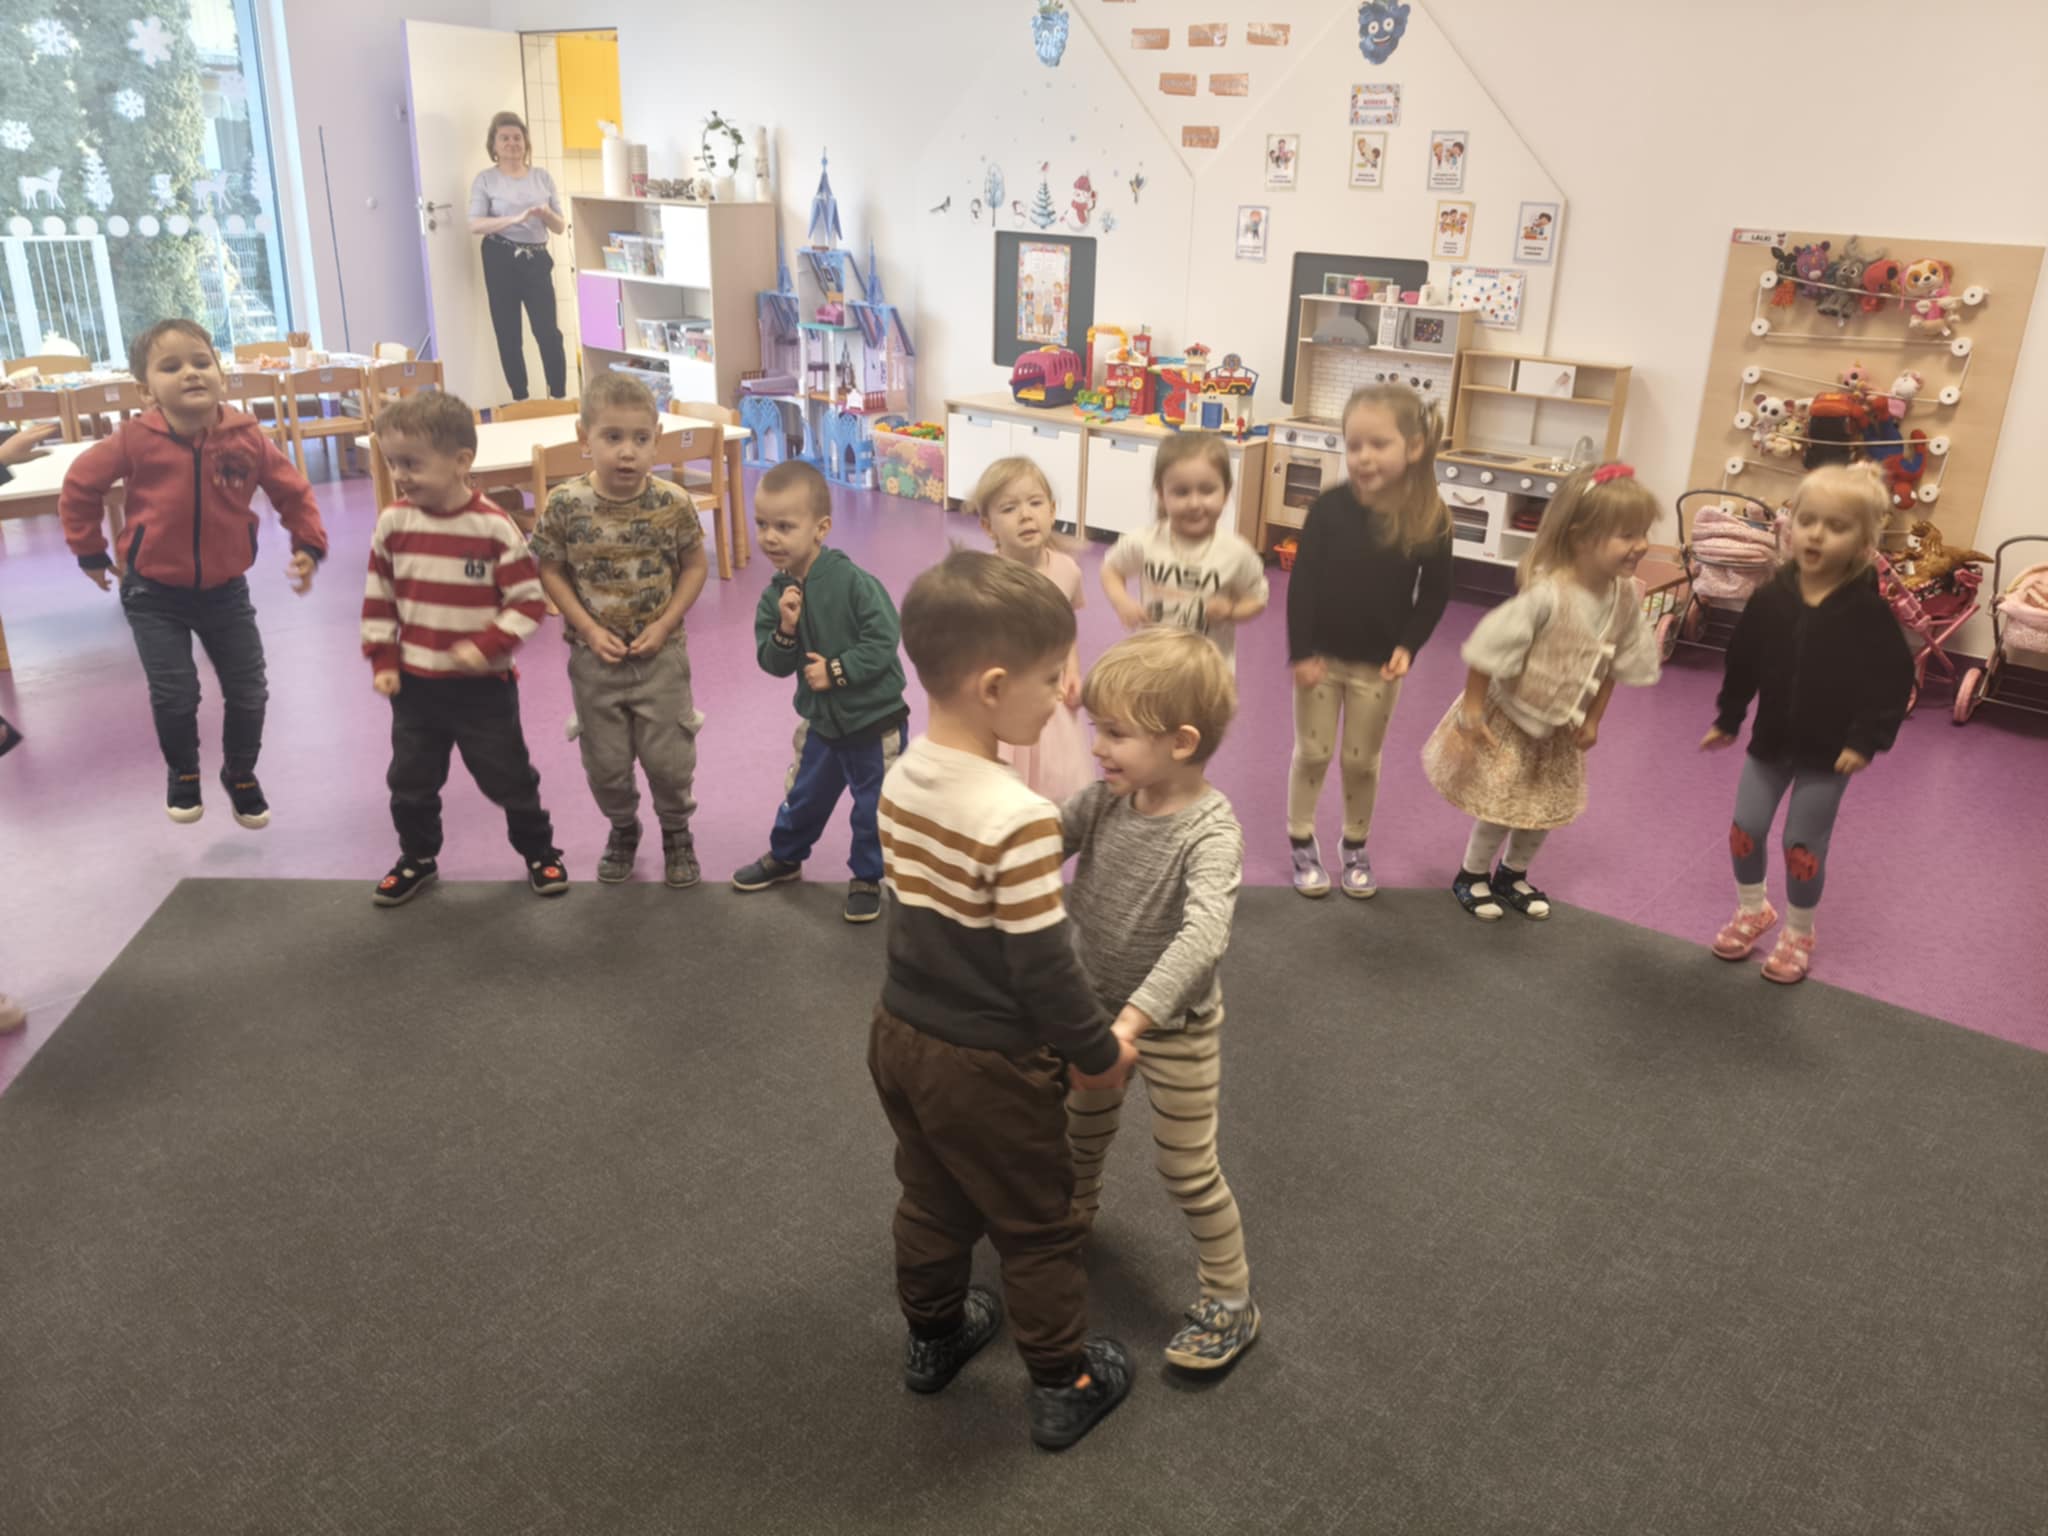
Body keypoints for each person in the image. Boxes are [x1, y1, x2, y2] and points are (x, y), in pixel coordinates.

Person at [869, 547, 1139, 1452]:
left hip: (901, 1034)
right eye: (1052, 675)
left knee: (930, 1196)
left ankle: (934, 1337)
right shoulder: (1017, 816)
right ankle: (1063, 1381)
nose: (1064, 693)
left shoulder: (902, 774)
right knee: (1036, 1224)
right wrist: (1098, 1054)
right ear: (993, 687)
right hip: (989, 1064)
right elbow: (1044, 970)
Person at [1062, 628, 1259, 1371]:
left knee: (1188, 1171)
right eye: (1098, 729)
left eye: (1115, 734)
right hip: (1093, 1014)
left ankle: (1231, 1302)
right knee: (1077, 1137)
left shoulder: (1211, 831)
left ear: (1181, 742)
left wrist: (1134, 1021)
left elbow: (1203, 936)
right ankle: (1070, 1225)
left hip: (1174, 1028)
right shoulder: (1109, 798)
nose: (1098, 748)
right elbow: (1041, 839)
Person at [59, 318, 326, 827]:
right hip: (153, 593)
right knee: (177, 693)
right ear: (145, 389)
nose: (190, 373)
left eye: (202, 362)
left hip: (226, 592)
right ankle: (183, 770)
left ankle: (240, 772)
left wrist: (308, 544)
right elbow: (80, 485)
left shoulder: (246, 439)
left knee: (249, 691)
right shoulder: (135, 441)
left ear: (221, 375)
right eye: (171, 366)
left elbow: (292, 491)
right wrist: (90, 551)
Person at [1701, 463, 1914, 984]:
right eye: (1807, 520)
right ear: (1789, 525)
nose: (1816, 534)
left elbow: (1891, 680)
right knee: (1746, 830)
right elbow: (1743, 661)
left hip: (1829, 753)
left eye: (1836, 527)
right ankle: (1753, 909)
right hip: (1770, 742)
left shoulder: (1867, 612)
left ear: (1864, 543)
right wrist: (1729, 716)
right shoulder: (1770, 598)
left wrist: (1865, 741)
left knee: (1802, 846)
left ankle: (1799, 932)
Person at [1421, 464, 1662, 921]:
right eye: (1627, 534)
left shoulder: (1626, 597)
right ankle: (1471, 874)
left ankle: (1512, 874)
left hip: (1562, 726)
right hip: (1513, 717)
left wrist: (1594, 719)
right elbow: (1487, 649)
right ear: (1581, 538)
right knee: (1502, 803)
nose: (1642, 545)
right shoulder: (1548, 594)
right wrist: (1473, 708)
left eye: (1644, 532)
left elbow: (1612, 664)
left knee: (1544, 805)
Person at [360, 390, 565, 905]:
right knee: (410, 782)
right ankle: (417, 858)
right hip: (415, 686)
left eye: (412, 463)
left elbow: (528, 602)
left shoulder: (493, 527)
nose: (400, 475)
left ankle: (540, 852)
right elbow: (379, 597)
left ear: (461, 462)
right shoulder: (393, 523)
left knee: (509, 778)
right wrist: (383, 659)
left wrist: (487, 645)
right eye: (393, 463)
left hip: (482, 688)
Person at [528, 374, 709, 889]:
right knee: (605, 763)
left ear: (656, 438)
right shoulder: (565, 504)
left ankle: (676, 831)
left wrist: (665, 623)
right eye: (612, 437)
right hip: (594, 663)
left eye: (640, 438)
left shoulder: (673, 502)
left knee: (670, 761)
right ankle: (623, 827)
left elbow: (695, 566)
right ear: (583, 436)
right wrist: (586, 628)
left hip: (661, 659)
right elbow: (550, 568)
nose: (627, 452)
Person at [1285, 382, 1454, 899]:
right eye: (1354, 444)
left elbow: (1435, 593)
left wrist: (1409, 645)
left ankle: (1354, 845)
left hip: (1378, 667)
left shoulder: (1429, 517)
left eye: (1378, 444)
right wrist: (1300, 651)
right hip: (1320, 661)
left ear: (1414, 446)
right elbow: (1303, 583)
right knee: (1313, 752)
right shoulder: (1328, 509)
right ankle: (1301, 841)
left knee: (1360, 761)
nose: (1363, 456)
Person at [730, 461, 908, 924]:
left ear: (821, 528)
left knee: (873, 808)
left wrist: (837, 670)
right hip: (821, 725)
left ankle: (867, 876)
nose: (770, 537)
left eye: (785, 526)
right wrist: (786, 630)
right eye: (762, 524)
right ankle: (786, 856)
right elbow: (772, 663)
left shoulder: (853, 582)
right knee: (804, 795)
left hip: (874, 721)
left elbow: (884, 639)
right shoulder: (774, 597)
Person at [972, 456, 1093, 802]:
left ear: (1052, 511)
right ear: (988, 527)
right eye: (1009, 508)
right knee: (1002, 794)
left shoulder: (1067, 571)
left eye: (1035, 503)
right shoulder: (984, 579)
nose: (1026, 515)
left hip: (1050, 701)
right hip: (1004, 703)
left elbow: (1066, 627)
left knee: (1054, 790)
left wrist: (1072, 669)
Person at [1101, 431, 1267, 673]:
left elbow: (1257, 598)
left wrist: (1231, 611)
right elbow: (1111, 569)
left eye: (1207, 490)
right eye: (1181, 492)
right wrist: (1122, 602)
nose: (1194, 503)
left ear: (1226, 492)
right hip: (1155, 666)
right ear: (1161, 494)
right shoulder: (1146, 542)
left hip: (1209, 672)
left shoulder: (1236, 552)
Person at [468, 110, 567, 403]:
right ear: (494, 146)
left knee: (548, 332)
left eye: (517, 138)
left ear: (525, 143)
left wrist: (546, 214)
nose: (512, 143)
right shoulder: (486, 180)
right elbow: (475, 224)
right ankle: (521, 398)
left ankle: (559, 397)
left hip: (536, 259)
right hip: (500, 257)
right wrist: (514, 219)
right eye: (505, 138)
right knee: (508, 332)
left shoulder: (542, 177)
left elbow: (560, 226)